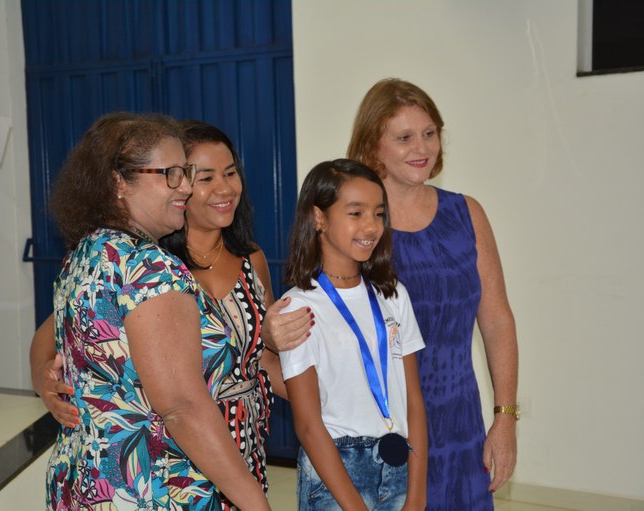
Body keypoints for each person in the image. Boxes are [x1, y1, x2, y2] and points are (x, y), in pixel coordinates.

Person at [32, 119, 313, 510]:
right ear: (118, 182)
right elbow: (183, 407)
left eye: (186, 173)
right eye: (173, 174)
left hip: (93, 482)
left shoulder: (90, 251)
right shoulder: (151, 269)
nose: (184, 186)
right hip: (159, 485)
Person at [347, 78, 519, 510]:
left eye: (429, 133)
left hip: (461, 424)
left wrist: (506, 419)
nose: (421, 148)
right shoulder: (354, 224)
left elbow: (497, 321)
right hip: (383, 428)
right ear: (372, 146)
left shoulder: (467, 213)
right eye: (404, 137)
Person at [280, 159, 427, 511]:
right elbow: (308, 424)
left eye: (378, 214)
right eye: (356, 213)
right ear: (319, 218)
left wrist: (417, 495)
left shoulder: (394, 295)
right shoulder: (298, 307)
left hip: (399, 463)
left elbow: (414, 401)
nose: (371, 226)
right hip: (335, 472)